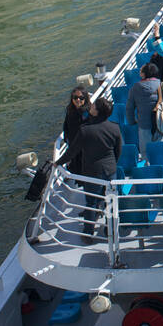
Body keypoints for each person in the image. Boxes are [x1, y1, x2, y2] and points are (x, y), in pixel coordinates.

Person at [64, 95, 122, 242]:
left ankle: (88, 233)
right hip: (110, 169)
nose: (91, 107)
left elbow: (72, 151)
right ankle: (110, 229)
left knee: (91, 202)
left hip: (92, 171)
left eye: (94, 106)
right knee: (110, 201)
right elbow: (118, 150)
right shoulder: (114, 128)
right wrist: (112, 164)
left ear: (97, 111)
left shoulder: (85, 130)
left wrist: (58, 162)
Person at [126, 62, 163, 160]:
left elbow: (129, 108)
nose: (139, 72)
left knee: (145, 153)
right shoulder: (162, 85)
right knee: (160, 151)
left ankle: (149, 170)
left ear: (144, 74)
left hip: (143, 126)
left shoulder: (135, 88)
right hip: (160, 124)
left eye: (141, 70)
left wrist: (132, 122)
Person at [62, 86, 89, 167]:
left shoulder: (88, 112)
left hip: (85, 148)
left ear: (85, 98)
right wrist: (67, 139)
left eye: (81, 98)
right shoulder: (70, 111)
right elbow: (66, 126)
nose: (78, 100)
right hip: (73, 146)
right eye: (75, 97)